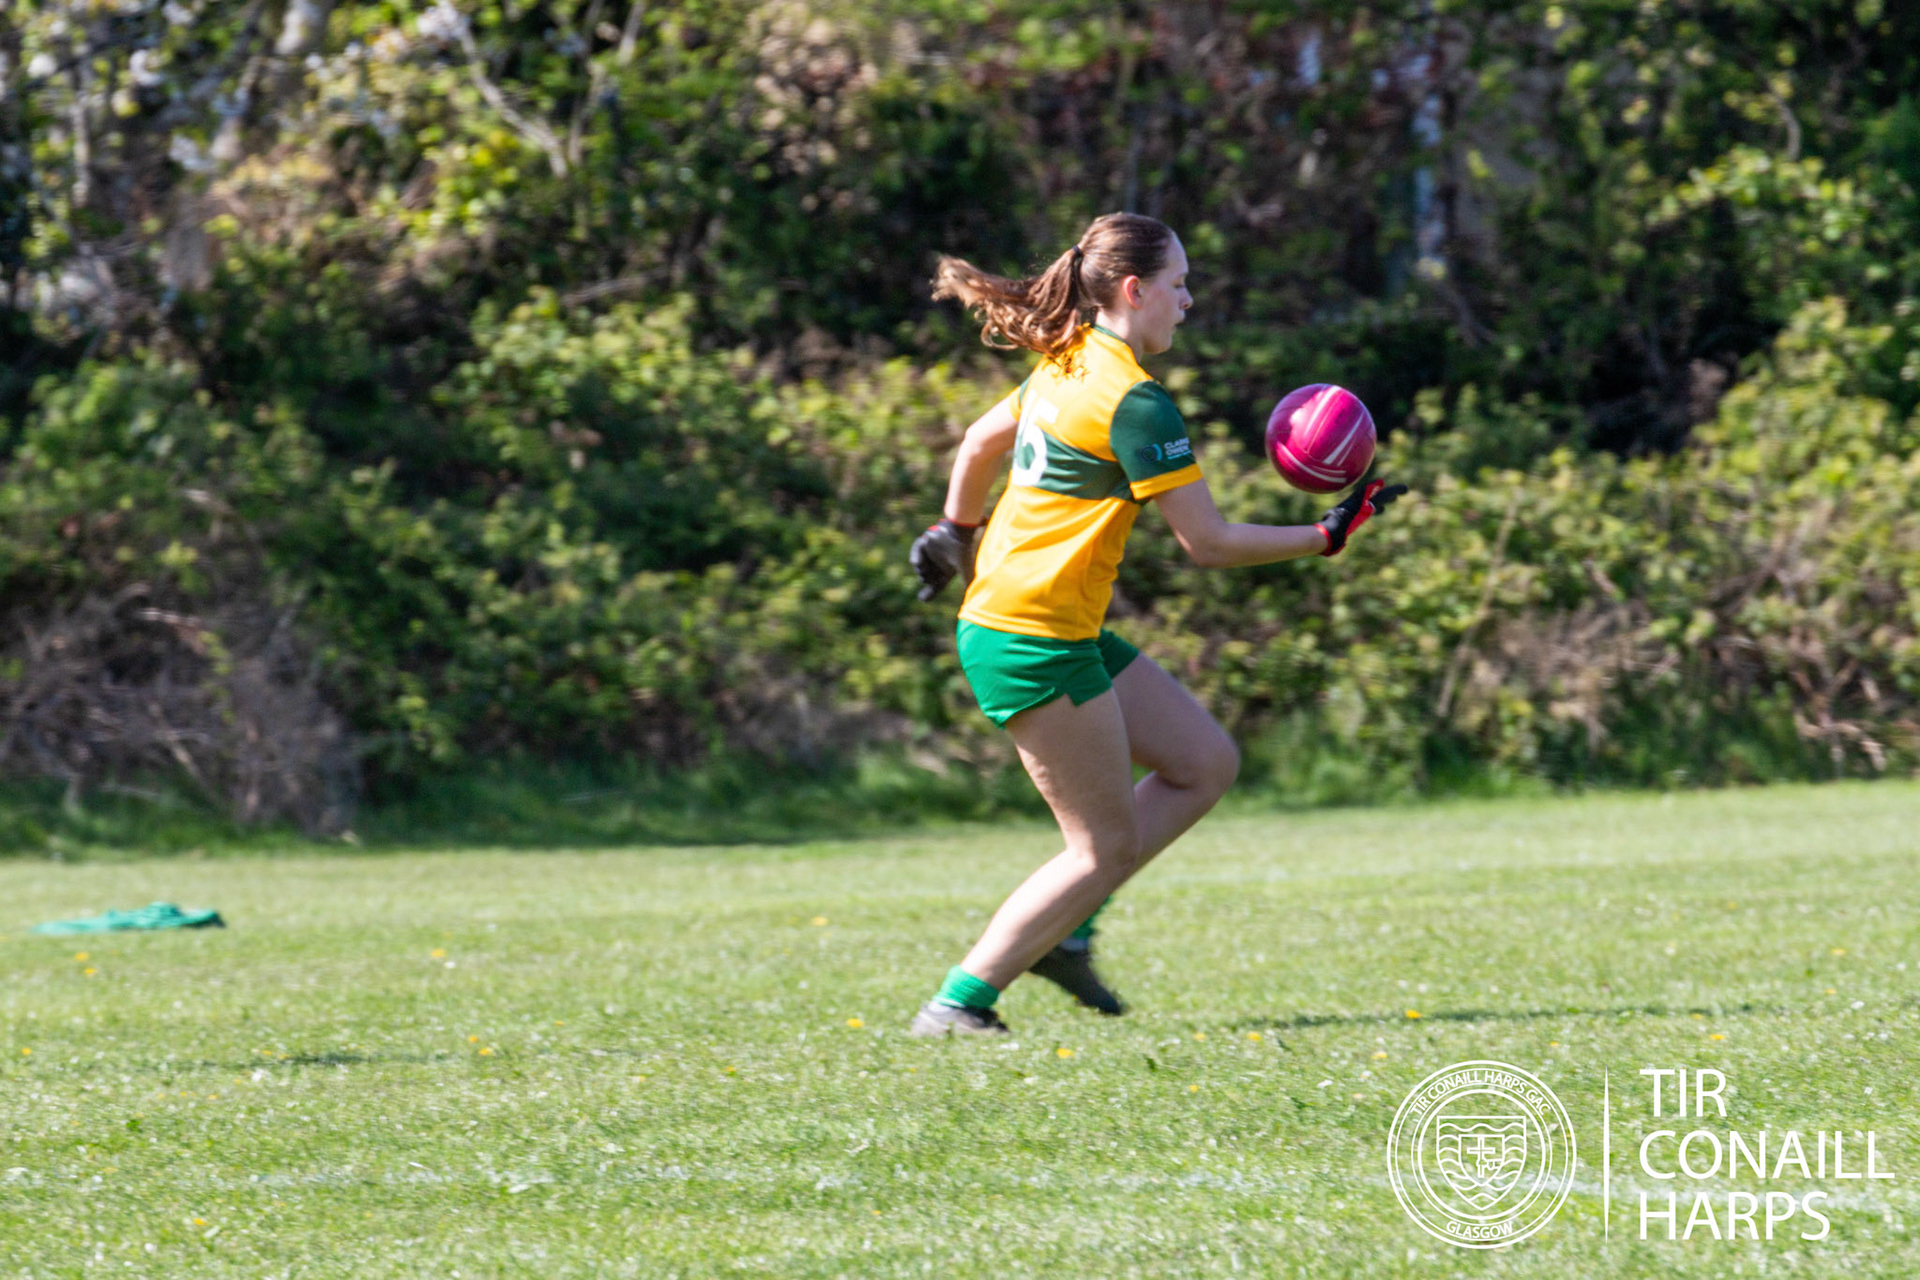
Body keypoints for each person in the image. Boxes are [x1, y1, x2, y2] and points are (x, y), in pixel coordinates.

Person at [906, 212, 1405, 1036]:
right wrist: (1325, 536)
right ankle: (958, 1004)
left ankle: (1069, 933)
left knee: (1203, 763)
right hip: (1031, 639)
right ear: (1136, 291)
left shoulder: (1068, 359)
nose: (1189, 299)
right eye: (1179, 284)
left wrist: (954, 530)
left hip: (1044, 624)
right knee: (1101, 849)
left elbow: (978, 440)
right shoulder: (1134, 401)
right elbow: (1207, 543)